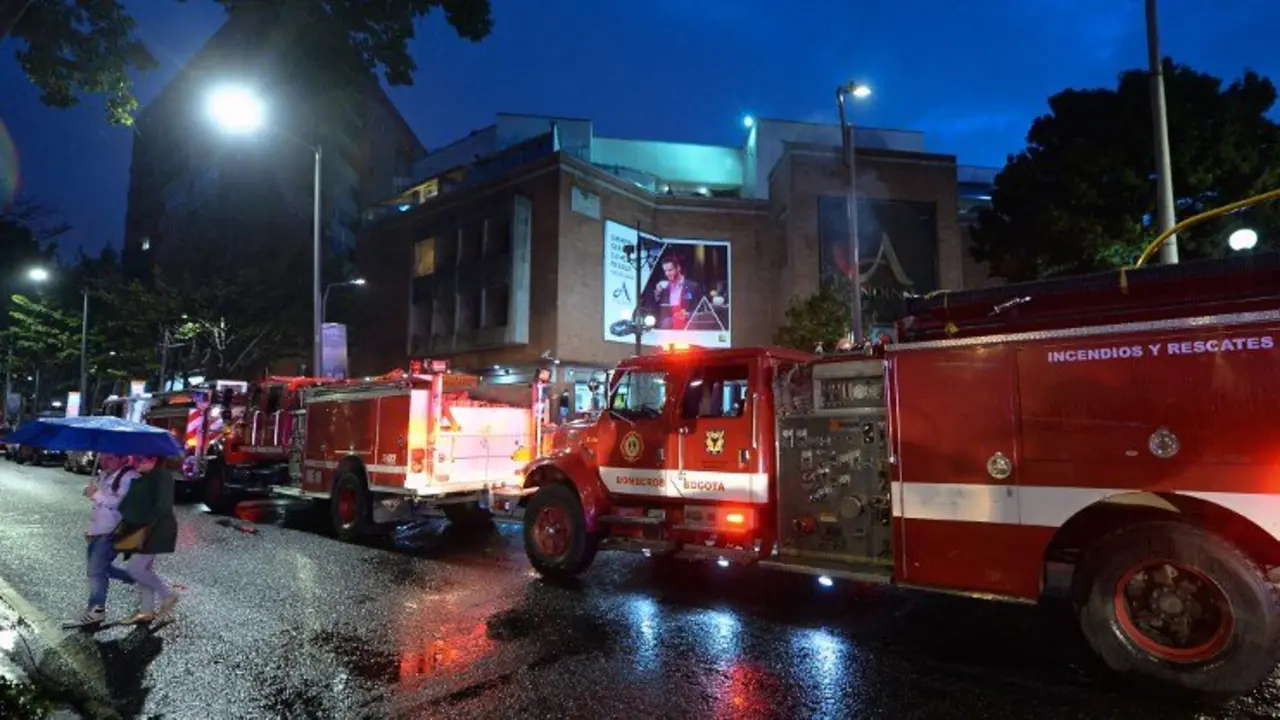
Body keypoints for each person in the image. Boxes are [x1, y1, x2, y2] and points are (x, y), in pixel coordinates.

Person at [74, 453, 138, 625]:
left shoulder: (130, 477)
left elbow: (121, 504)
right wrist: (91, 529)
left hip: (113, 531)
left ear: (122, 458)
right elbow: (100, 508)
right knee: (100, 569)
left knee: (95, 571)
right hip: (99, 530)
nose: (103, 460)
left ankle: (97, 609)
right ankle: (135, 577)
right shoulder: (105, 474)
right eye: (102, 456)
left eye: (109, 457)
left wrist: (96, 494)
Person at [116, 455, 179, 624]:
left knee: (135, 569)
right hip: (145, 529)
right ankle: (146, 610)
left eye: (140, 459)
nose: (136, 462)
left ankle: (167, 594)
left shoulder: (162, 476)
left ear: (153, 459)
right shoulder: (144, 477)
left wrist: (145, 524)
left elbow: (162, 506)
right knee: (144, 570)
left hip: (154, 531)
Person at [652, 253, 704, 330]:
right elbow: (657, 311)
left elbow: (701, 311)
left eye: (670, 270)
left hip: (688, 328)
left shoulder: (693, 287)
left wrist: (687, 314)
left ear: (678, 268)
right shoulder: (664, 287)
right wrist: (657, 294)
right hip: (667, 330)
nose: (667, 274)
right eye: (665, 271)